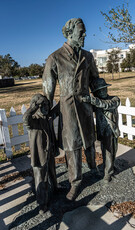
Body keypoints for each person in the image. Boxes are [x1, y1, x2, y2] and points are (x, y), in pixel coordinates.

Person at [42, 18, 99, 200]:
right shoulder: (55, 58)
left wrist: (103, 99)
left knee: (89, 139)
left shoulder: (88, 56)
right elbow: (47, 91)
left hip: (86, 106)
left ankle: (94, 168)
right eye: (81, 32)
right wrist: (44, 111)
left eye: (84, 31)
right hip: (68, 109)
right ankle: (75, 182)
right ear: (69, 33)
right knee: (72, 145)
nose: (84, 35)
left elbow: (95, 81)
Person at [23, 93, 58, 213]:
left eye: (47, 105)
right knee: (40, 178)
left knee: (52, 172)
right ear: (36, 107)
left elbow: (57, 110)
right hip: (39, 154)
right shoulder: (33, 121)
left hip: (50, 151)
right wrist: (32, 108)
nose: (46, 108)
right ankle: (42, 203)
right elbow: (25, 119)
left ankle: (55, 189)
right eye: (43, 106)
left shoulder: (47, 118)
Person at [82, 78, 120, 183]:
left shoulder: (115, 99)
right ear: (96, 93)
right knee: (107, 152)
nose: (103, 91)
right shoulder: (96, 103)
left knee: (113, 151)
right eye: (100, 90)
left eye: (104, 89)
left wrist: (92, 100)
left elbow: (106, 105)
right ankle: (108, 173)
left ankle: (111, 166)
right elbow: (88, 109)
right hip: (104, 132)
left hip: (113, 130)